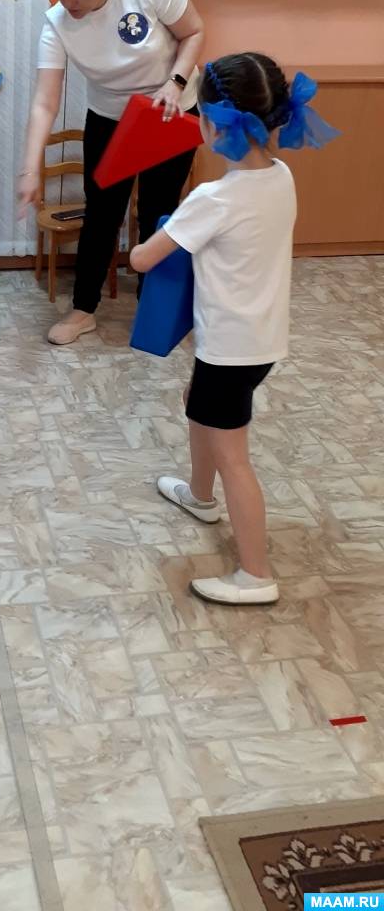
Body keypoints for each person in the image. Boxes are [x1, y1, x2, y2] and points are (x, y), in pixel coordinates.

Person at [130, 53, 338, 606]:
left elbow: (143, 259)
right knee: (197, 403)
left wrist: (148, 238)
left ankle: (256, 573)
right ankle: (200, 496)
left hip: (230, 348)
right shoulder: (281, 177)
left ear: (211, 124)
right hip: (261, 340)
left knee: (234, 457)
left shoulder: (213, 199)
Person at [19, 0, 204, 346]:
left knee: (158, 212)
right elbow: (45, 102)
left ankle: (153, 307)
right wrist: (29, 169)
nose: (69, 2)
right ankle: (83, 310)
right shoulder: (57, 25)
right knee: (101, 214)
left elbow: (194, 32)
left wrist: (176, 83)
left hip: (169, 110)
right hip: (110, 118)